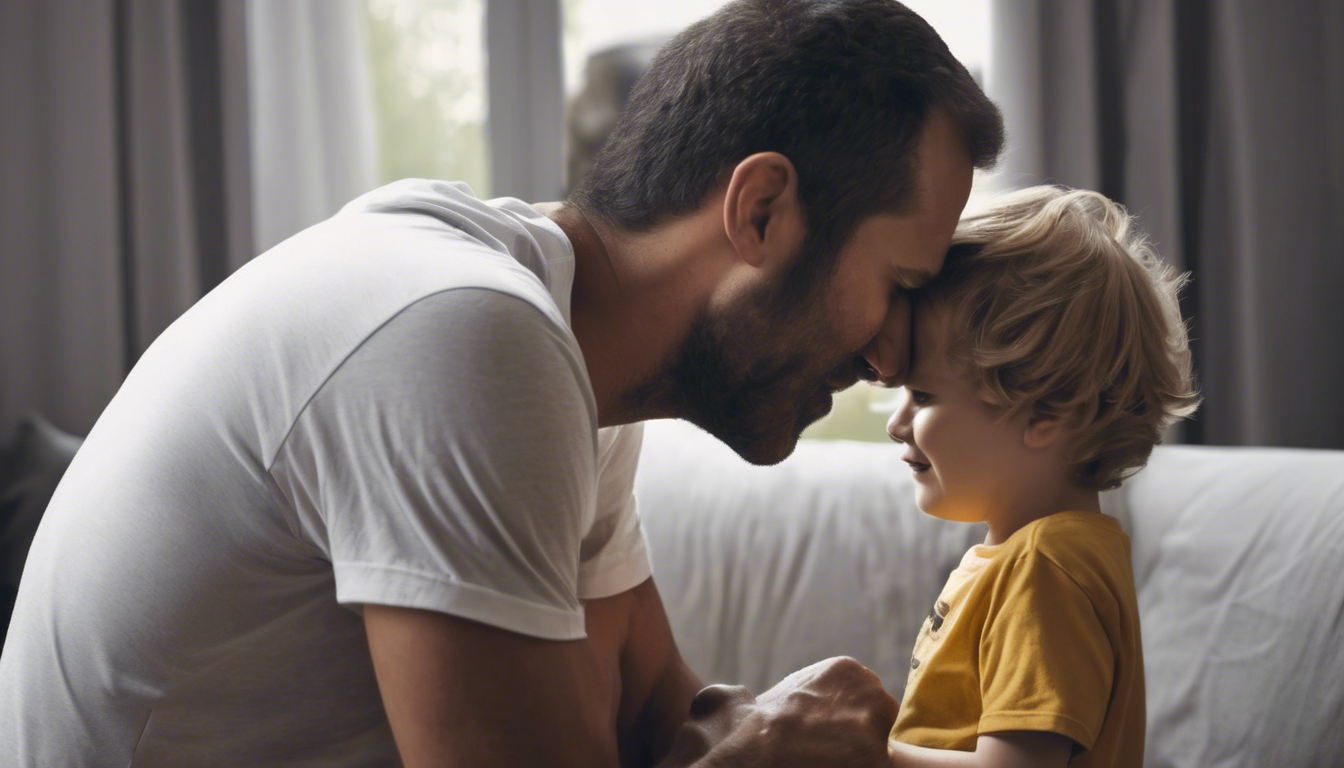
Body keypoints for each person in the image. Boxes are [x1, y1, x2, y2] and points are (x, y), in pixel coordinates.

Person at [0, 1, 1003, 766]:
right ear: (763, 211)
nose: (888, 359)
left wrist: (788, 732)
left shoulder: (569, 360)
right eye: (898, 284)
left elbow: (661, 716)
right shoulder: (469, 338)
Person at [884, 186, 1201, 767]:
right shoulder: (1034, 557)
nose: (896, 423)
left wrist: (865, 755)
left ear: (1045, 414)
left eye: (922, 394)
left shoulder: (1046, 569)